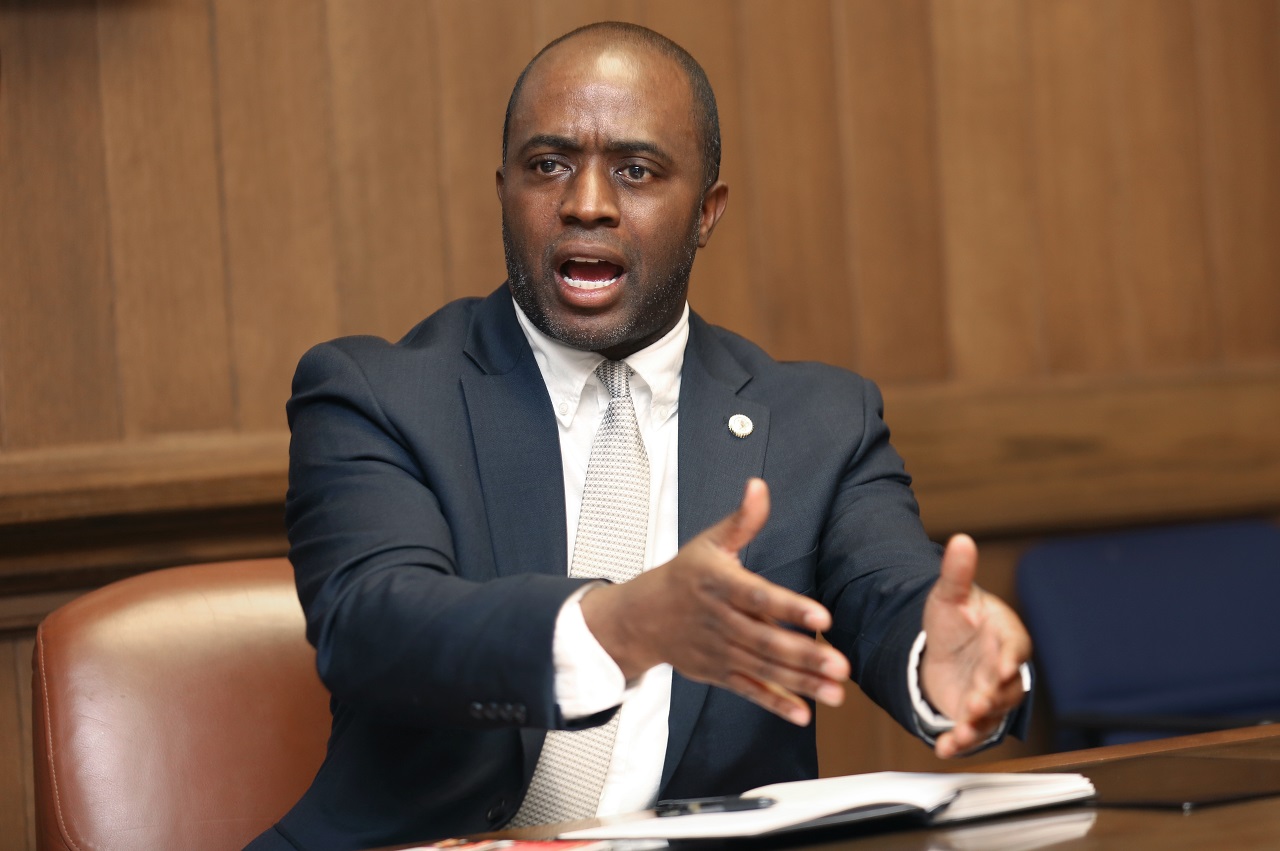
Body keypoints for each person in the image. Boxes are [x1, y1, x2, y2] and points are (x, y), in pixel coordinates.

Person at [248, 21, 1031, 851]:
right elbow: (375, 626)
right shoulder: (379, 393)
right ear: (504, 189)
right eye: (547, 165)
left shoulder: (819, 422)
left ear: (706, 212)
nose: (586, 202)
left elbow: (891, 591)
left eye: (636, 170)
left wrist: (939, 666)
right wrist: (618, 625)